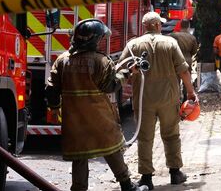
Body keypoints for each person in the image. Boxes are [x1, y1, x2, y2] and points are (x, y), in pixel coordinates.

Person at [45, 19, 147, 191]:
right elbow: (111, 86)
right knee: (111, 149)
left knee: (80, 155)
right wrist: (129, 72)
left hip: (74, 119)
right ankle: (127, 186)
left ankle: (79, 188)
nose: (100, 43)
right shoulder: (101, 61)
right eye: (100, 39)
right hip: (99, 117)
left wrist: (55, 108)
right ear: (93, 40)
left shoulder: (62, 60)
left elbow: (51, 88)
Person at [119, 12, 197, 189]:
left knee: (145, 138)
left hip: (143, 99)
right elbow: (183, 70)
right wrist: (191, 92)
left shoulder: (132, 45)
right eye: (160, 24)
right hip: (168, 98)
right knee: (171, 135)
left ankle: (146, 178)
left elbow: (122, 72)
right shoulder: (170, 43)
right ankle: (175, 173)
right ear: (156, 25)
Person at [169, 19, 199, 102]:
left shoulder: (173, 35)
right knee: (187, 79)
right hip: (188, 59)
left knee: (176, 79)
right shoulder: (192, 37)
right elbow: (194, 51)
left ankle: (176, 98)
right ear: (188, 26)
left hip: (176, 60)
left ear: (180, 25)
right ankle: (186, 97)